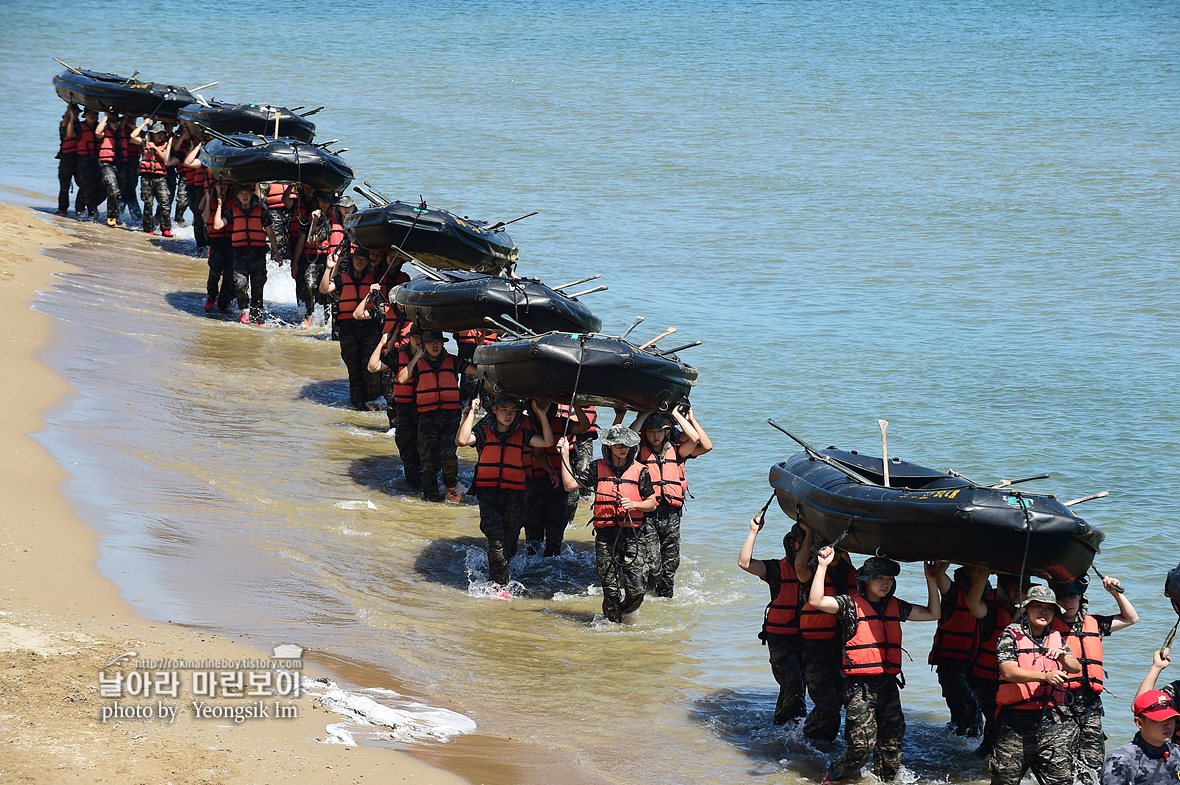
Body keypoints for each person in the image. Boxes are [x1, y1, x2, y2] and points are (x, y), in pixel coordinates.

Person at [810, 549, 943, 783]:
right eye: (880, 578)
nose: (885, 584)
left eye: (889, 579)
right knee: (861, 747)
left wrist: (931, 579)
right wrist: (822, 566)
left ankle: (885, 781)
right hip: (858, 687)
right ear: (866, 580)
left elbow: (933, 613)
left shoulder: (897, 606)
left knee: (892, 745)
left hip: (888, 685)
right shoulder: (849, 606)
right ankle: (835, 775)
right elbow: (816, 601)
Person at [558, 425, 658, 622]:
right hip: (606, 537)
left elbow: (652, 503)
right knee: (611, 591)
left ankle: (622, 614)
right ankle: (614, 629)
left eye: (627, 445)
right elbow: (569, 485)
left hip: (633, 536)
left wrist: (634, 504)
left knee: (637, 589)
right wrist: (565, 455)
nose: (623, 448)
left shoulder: (640, 471)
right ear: (609, 446)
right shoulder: (597, 467)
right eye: (618, 445)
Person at [989, 584, 1081, 785]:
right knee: (1004, 780)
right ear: (1026, 609)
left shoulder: (1056, 638)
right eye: (1038, 606)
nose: (1044, 611)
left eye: (1049, 608)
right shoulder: (1009, 637)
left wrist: (1064, 656)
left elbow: (1075, 667)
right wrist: (1045, 676)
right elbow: (1009, 671)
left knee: (1061, 780)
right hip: (1015, 722)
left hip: (1050, 721)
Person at [1050, 574, 1137, 785]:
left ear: (1081, 597)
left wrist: (1115, 592)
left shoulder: (1095, 623)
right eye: (1062, 598)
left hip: (1091, 705)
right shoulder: (1046, 627)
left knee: (1093, 763)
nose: (1067, 603)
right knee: (1060, 766)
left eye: (1072, 597)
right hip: (1060, 704)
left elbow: (1131, 618)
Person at [457, 395, 554, 585]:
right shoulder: (484, 432)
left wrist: (542, 414)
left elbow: (547, 442)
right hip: (489, 495)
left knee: (509, 545)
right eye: (504, 409)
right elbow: (461, 440)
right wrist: (471, 414)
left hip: (515, 496)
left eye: (512, 410)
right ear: (494, 410)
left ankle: (501, 574)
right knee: (497, 541)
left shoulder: (522, 433)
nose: (508, 415)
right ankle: (499, 587)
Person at [737, 514, 809, 727]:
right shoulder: (777, 569)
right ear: (790, 544)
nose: (804, 547)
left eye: (808, 542)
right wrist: (753, 532)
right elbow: (745, 563)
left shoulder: (818, 569)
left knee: (796, 687)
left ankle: (780, 729)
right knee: (794, 686)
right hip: (780, 639)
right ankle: (796, 736)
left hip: (806, 638)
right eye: (800, 542)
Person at [395, 330, 478, 502]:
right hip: (426, 419)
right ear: (424, 345)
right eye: (431, 342)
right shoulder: (418, 363)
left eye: (439, 342)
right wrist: (417, 356)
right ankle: (431, 498)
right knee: (428, 463)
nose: (435, 345)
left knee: (448, 455)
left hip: (450, 418)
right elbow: (402, 379)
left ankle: (451, 486)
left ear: (443, 344)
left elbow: (476, 371)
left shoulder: (452, 361)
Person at [795, 530, 858, 746]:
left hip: (839, 649)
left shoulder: (849, 574)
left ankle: (819, 742)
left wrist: (844, 538)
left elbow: (847, 561)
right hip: (815, 650)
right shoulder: (812, 575)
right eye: (833, 552)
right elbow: (799, 567)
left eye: (839, 552)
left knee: (838, 702)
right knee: (828, 705)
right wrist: (810, 534)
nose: (836, 555)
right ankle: (808, 737)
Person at [633, 410, 698, 598]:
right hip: (649, 513)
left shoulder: (676, 451)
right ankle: (649, 593)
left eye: (660, 431)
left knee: (670, 565)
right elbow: (628, 436)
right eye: (651, 431)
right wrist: (643, 416)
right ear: (645, 433)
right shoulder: (637, 451)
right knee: (653, 565)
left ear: (666, 432)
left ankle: (665, 602)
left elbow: (694, 438)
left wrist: (676, 415)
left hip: (671, 514)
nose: (656, 436)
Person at [968, 573, 1031, 757]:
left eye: (1020, 589)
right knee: (998, 718)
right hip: (985, 678)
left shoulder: (1032, 613)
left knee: (999, 720)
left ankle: (983, 753)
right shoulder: (991, 609)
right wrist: (982, 573)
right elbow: (973, 605)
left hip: (1011, 679)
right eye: (1010, 588)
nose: (1016, 593)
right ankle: (989, 757)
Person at [523, 401, 590, 556]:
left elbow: (584, 426)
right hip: (534, 483)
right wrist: (551, 471)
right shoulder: (526, 425)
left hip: (558, 483)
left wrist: (577, 406)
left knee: (555, 531)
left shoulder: (562, 423)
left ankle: (553, 568)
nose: (543, 407)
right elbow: (538, 452)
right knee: (533, 536)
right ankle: (532, 571)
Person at [929, 566, 988, 737]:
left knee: (972, 714)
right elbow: (939, 574)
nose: (981, 572)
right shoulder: (953, 592)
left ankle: (955, 747)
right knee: (968, 710)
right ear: (967, 571)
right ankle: (960, 752)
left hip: (976, 662)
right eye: (976, 568)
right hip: (951, 664)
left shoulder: (988, 596)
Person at [320, 246, 381, 410]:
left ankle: (371, 400)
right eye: (356, 258)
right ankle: (357, 406)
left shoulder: (374, 279)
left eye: (363, 259)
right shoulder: (342, 278)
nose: (359, 261)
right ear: (352, 260)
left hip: (369, 328)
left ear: (368, 261)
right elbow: (324, 289)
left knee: (369, 368)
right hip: (348, 329)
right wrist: (328, 268)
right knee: (354, 370)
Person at [212, 183, 280, 325]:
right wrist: (219, 206)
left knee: (257, 287)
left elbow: (270, 233)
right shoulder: (232, 211)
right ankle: (244, 309)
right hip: (239, 254)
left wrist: (277, 254)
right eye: (241, 193)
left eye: (247, 193)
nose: (245, 196)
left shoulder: (261, 211)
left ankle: (256, 318)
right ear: (236, 195)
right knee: (239, 285)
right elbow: (217, 225)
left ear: (252, 193)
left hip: (257, 254)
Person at [369, 324, 422, 489]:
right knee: (407, 451)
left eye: (422, 337)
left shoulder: (434, 356)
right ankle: (413, 489)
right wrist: (381, 343)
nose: (419, 341)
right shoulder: (399, 356)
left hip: (427, 410)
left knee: (428, 452)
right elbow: (373, 367)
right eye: (415, 337)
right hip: (405, 409)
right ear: (410, 338)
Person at [1100, 690, 1180, 785]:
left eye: (1171, 718)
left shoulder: (1177, 753)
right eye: (1159, 719)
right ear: (1139, 723)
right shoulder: (1120, 761)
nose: (1168, 725)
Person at [130, 120, 176, 237]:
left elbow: (166, 159)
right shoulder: (144, 142)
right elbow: (132, 136)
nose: (160, 136)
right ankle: (148, 229)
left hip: (160, 177)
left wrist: (155, 148)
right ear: (153, 134)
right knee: (148, 204)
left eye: (162, 134)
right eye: (157, 133)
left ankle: (165, 228)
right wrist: (144, 124)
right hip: (146, 177)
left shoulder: (167, 145)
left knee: (165, 203)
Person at [201, 182, 234, 314]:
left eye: (226, 184)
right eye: (220, 185)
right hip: (215, 240)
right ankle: (212, 296)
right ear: (215, 186)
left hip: (230, 240)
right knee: (214, 271)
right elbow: (205, 217)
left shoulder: (233, 200)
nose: (223, 186)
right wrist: (209, 199)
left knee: (228, 274)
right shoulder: (211, 198)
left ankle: (223, 303)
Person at [74, 107, 102, 221]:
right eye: (89, 113)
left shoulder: (100, 127)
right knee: (87, 187)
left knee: (102, 189)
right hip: (83, 161)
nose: (92, 115)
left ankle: (88, 207)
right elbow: (69, 134)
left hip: (98, 162)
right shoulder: (79, 127)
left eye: (94, 113)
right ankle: (89, 212)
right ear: (84, 115)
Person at [94, 113, 122, 227]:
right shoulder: (105, 132)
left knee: (117, 192)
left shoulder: (120, 131)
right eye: (113, 121)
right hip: (106, 164)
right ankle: (111, 217)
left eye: (116, 121)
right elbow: (97, 133)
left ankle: (114, 216)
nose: (115, 124)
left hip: (118, 164)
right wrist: (106, 117)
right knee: (114, 189)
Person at [56, 104, 80, 216]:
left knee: (83, 184)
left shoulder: (80, 126)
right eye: (73, 111)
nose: (75, 113)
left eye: (77, 112)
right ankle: (62, 209)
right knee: (64, 187)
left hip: (79, 160)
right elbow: (69, 132)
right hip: (66, 160)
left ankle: (80, 208)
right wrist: (69, 108)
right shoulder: (64, 125)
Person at [116, 115, 141, 222]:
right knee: (129, 188)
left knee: (129, 188)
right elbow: (135, 140)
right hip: (125, 163)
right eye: (130, 118)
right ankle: (137, 216)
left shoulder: (138, 131)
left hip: (134, 163)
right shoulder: (123, 131)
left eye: (134, 118)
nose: (132, 120)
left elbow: (142, 140)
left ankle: (119, 212)